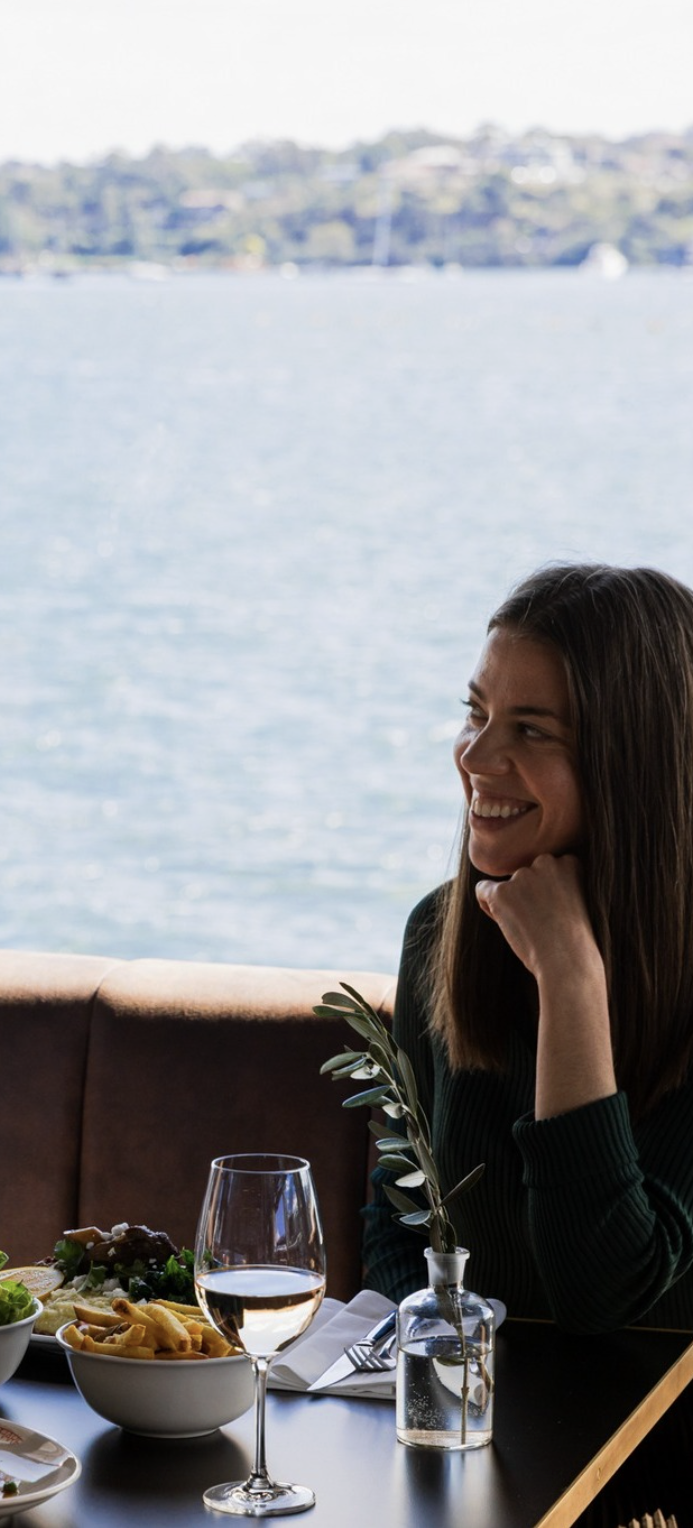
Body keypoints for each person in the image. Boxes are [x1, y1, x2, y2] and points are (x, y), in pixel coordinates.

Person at [362, 562, 693, 1522]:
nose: (475, 755)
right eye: (476, 713)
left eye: (530, 731)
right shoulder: (444, 931)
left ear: (634, 759)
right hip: (465, 1462)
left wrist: (572, 983)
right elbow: (396, 1221)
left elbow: (608, 1294)